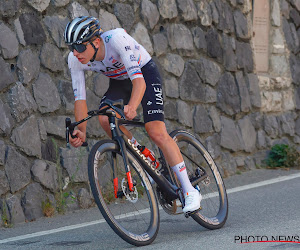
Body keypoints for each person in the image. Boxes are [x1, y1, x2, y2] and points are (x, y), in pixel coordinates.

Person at [64, 16, 201, 213]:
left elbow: (140, 83)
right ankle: (143, 154)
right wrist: (82, 131)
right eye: (71, 48)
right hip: (120, 82)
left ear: (95, 42)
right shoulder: (75, 60)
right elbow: (80, 100)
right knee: (105, 118)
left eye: (79, 47)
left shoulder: (117, 39)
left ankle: (189, 191)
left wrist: (133, 106)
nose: (75, 53)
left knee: (155, 130)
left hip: (143, 74)